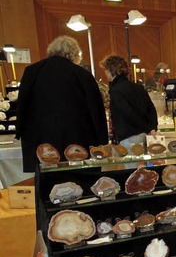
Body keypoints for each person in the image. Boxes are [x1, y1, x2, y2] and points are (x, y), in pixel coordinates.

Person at [15, 35, 108, 172]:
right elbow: (96, 108)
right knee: (78, 176)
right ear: (73, 54)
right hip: (77, 136)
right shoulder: (82, 74)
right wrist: (102, 139)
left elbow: (22, 103)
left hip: (41, 136)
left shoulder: (32, 71)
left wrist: (19, 130)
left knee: (48, 177)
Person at [99, 54, 158, 155]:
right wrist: (151, 127)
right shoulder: (138, 87)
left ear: (112, 70)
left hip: (129, 136)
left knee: (132, 168)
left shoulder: (116, 90)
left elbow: (128, 113)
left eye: (106, 69)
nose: (105, 73)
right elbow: (151, 109)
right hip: (143, 135)